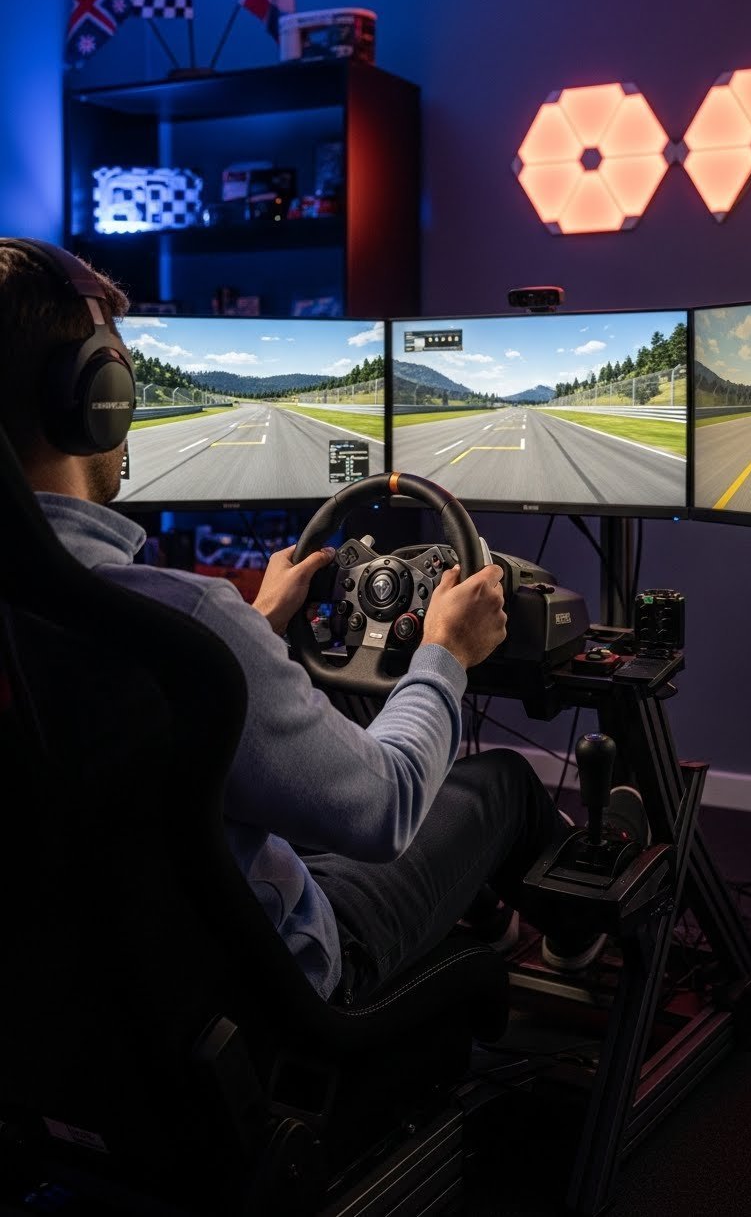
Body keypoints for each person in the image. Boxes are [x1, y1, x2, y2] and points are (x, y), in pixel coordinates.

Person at [0, 241, 648, 1005]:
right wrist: (446, 649)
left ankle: (489, 923)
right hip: (275, 980)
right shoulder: (187, 615)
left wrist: (255, 625)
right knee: (499, 780)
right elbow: (385, 807)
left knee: (350, 705)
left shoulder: (87, 613)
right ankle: (574, 941)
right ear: (96, 395)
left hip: (80, 992)